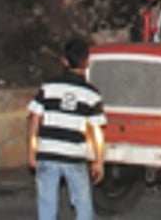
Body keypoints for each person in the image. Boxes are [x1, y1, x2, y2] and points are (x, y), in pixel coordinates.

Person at [28, 39, 107, 220]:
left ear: (64, 61)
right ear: (87, 61)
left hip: (47, 152)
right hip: (74, 156)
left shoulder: (48, 87)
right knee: (83, 204)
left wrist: (32, 151)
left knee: (47, 205)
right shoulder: (91, 94)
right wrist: (98, 161)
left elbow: (34, 118)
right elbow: (97, 131)